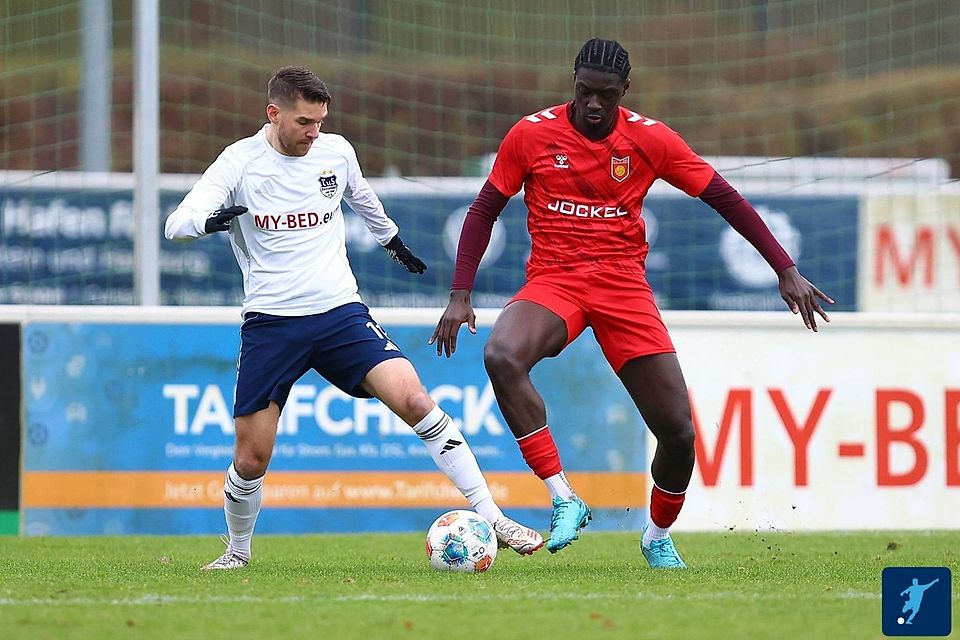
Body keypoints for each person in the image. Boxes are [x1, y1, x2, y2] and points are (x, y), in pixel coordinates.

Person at [430, 38, 832, 569]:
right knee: (502, 355)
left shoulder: (650, 140)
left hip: (624, 289)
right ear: (572, 81)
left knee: (679, 433)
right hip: (556, 281)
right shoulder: (530, 134)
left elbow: (725, 197)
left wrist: (785, 269)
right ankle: (563, 497)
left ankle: (656, 535)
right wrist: (461, 294)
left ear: (625, 90)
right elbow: (483, 210)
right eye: (584, 92)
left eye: (605, 95)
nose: (593, 105)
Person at [165, 65, 543, 570]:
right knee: (251, 458)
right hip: (272, 323)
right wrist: (208, 222)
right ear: (272, 113)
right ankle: (237, 552)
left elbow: (361, 196)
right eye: (303, 122)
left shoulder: (335, 152)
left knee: (415, 399)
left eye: (319, 122)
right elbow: (176, 224)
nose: (313, 133)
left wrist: (392, 241)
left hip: (340, 313)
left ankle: (493, 515)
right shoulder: (239, 163)